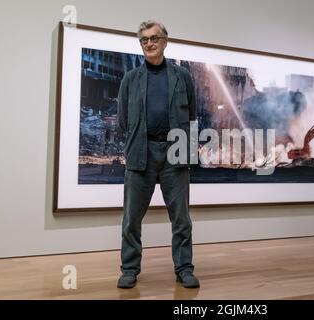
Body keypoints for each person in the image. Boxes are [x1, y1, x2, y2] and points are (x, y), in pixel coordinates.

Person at [116, 20, 199, 289]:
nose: (149, 44)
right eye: (143, 40)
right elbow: (123, 120)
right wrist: (139, 139)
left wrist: (188, 148)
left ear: (165, 41)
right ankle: (129, 269)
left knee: (181, 218)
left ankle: (184, 269)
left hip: (175, 151)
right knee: (131, 218)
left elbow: (193, 116)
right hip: (142, 151)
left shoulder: (182, 76)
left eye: (154, 38)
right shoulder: (130, 79)